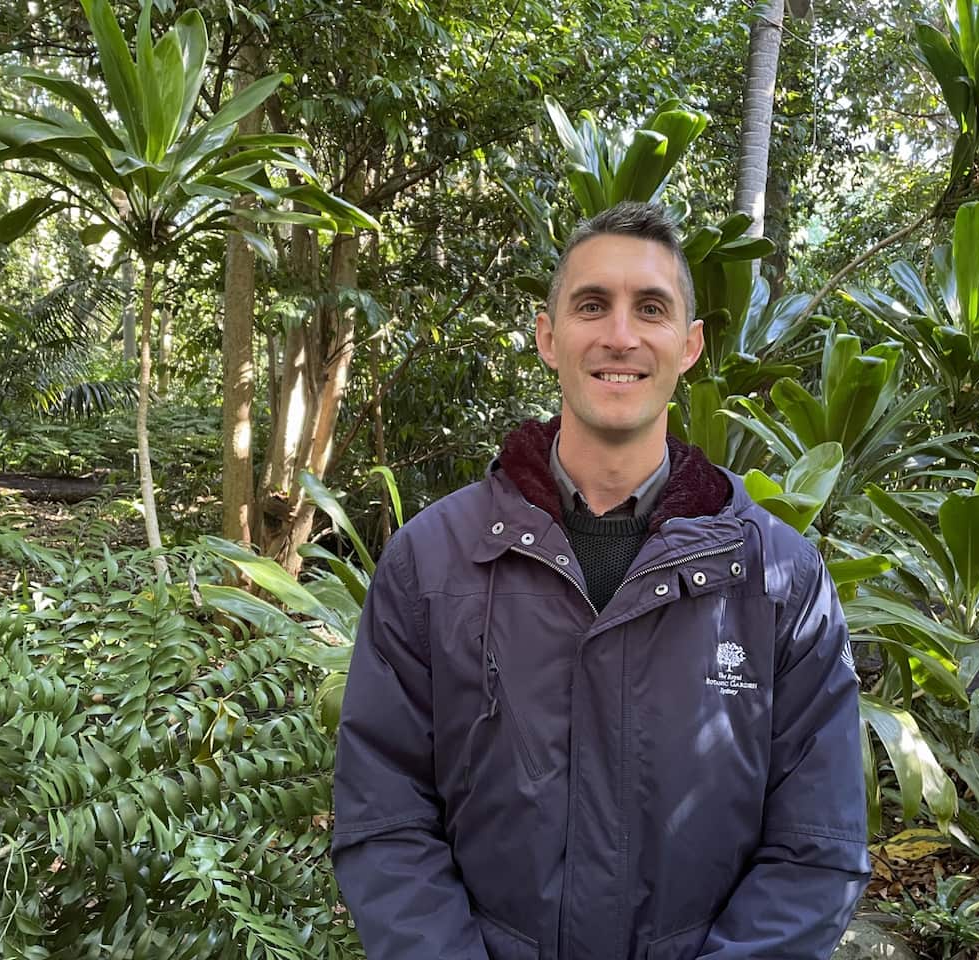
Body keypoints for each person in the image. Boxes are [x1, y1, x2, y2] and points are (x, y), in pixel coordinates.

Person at [332, 201, 870, 960]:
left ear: (689, 346)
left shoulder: (779, 578)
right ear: (549, 339)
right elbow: (385, 816)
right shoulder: (432, 562)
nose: (621, 335)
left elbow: (816, 844)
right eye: (593, 305)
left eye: (650, 308)